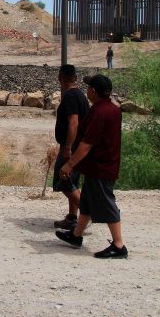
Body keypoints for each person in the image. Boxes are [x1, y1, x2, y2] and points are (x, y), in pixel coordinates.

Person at [56, 74, 128, 259]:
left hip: (100, 167)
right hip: (101, 165)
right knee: (86, 203)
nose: (86, 90)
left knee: (106, 203)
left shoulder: (99, 113)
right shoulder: (112, 109)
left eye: (89, 88)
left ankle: (119, 245)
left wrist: (69, 164)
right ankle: (76, 235)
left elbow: (87, 143)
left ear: (94, 91)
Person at [52, 64, 90, 230]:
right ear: (75, 77)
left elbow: (73, 123)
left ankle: (88, 212)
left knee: (63, 180)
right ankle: (72, 217)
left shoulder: (70, 96)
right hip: (77, 145)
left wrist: (68, 148)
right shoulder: (80, 95)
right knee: (72, 182)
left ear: (61, 77)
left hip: (71, 147)